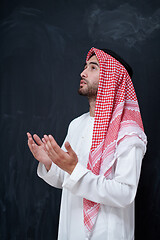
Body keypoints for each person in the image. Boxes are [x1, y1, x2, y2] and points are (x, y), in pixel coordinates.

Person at [27, 47, 147, 240]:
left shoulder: (128, 132)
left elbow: (125, 193)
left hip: (108, 233)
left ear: (112, 79)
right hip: (70, 230)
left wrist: (74, 169)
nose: (82, 73)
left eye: (93, 67)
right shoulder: (76, 125)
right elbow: (67, 179)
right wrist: (50, 163)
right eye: (85, 67)